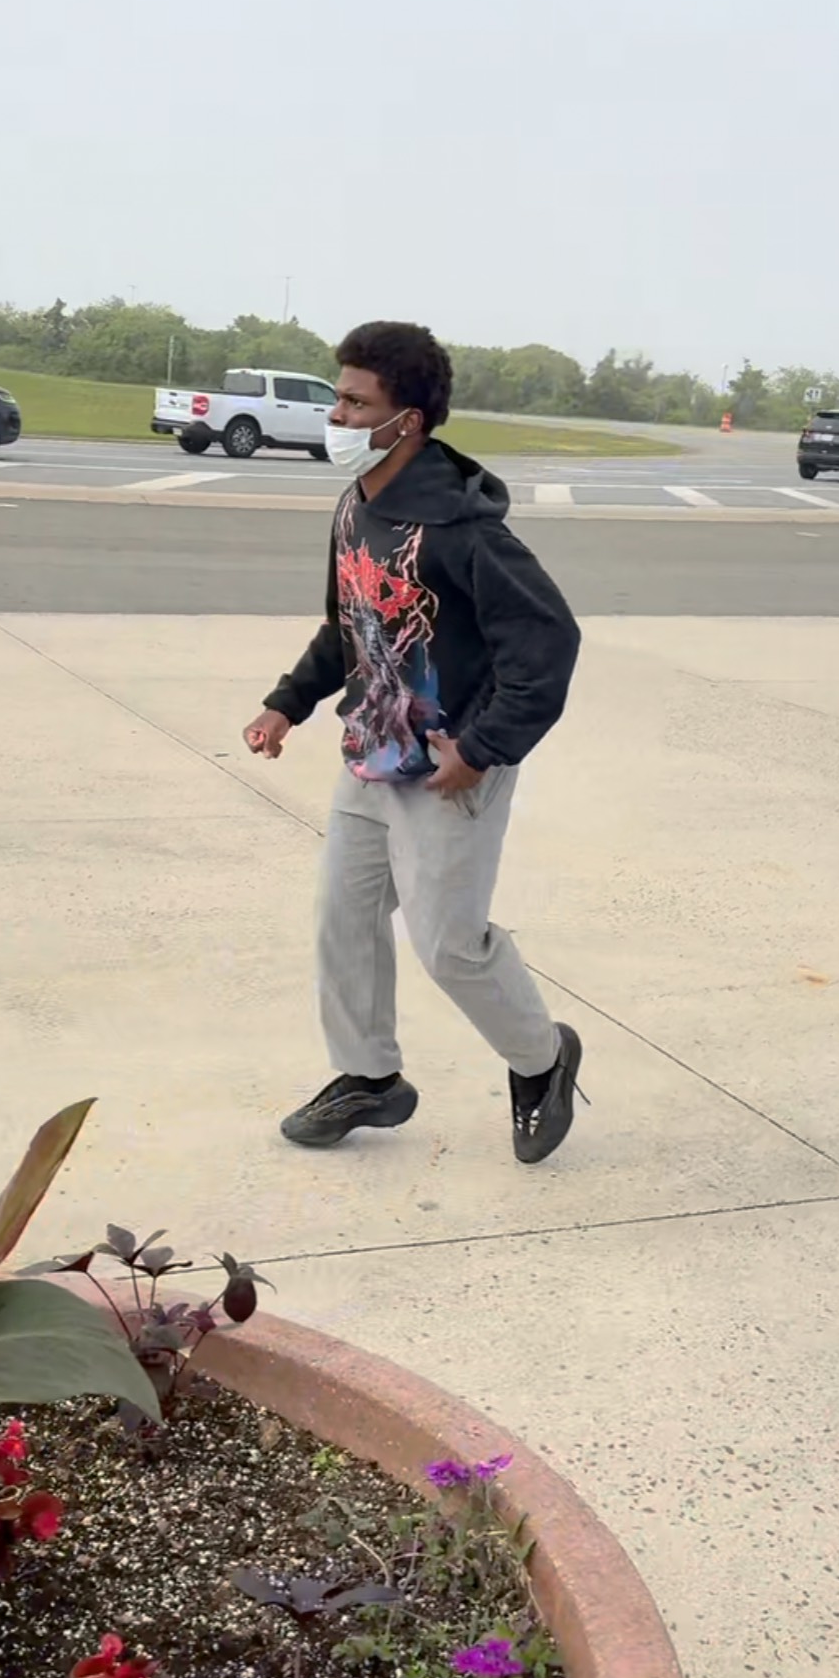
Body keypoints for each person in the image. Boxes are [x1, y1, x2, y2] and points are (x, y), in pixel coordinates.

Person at [244, 320, 583, 1164]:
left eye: (356, 405)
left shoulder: (463, 530)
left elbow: (547, 643)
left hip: (445, 769)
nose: (337, 417)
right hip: (370, 754)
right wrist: (288, 704)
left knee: (448, 947)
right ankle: (368, 1077)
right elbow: (350, 625)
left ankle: (541, 1060)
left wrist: (480, 747)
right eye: (338, 399)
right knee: (344, 921)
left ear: (410, 421)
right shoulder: (354, 506)